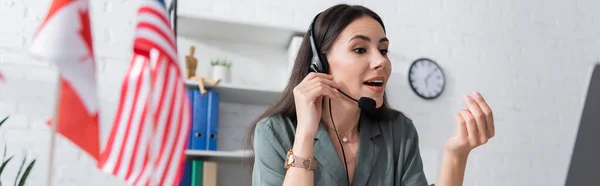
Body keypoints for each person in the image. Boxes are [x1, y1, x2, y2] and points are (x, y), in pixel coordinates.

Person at [246, 4, 495, 186]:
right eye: (360, 49)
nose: (380, 62)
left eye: (383, 50)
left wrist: (457, 154)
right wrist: (305, 135)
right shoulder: (274, 132)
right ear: (319, 64)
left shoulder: (399, 130)